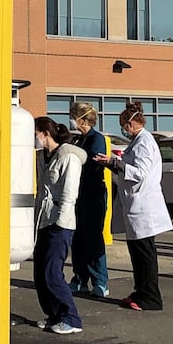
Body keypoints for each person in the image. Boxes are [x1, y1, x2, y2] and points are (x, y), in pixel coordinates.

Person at [106, 102, 172, 311]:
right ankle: (141, 291)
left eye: (124, 125)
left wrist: (116, 164)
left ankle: (151, 297)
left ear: (133, 123)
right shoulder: (137, 141)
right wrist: (112, 164)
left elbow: (140, 172)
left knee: (145, 254)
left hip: (144, 206)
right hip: (136, 204)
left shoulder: (144, 142)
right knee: (137, 253)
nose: (123, 130)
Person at [32, 117, 85, 333]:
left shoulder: (68, 157)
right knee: (39, 272)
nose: (33, 138)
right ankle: (54, 314)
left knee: (52, 272)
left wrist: (61, 222)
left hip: (60, 222)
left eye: (35, 133)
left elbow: (69, 193)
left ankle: (71, 318)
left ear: (45, 133)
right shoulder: (41, 157)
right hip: (42, 220)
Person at [67, 102, 112, 300]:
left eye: (73, 116)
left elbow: (91, 163)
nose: (71, 120)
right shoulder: (78, 140)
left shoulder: (97, 139)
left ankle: (100, 281)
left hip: (93, 194)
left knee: (93, 237)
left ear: (83, 119)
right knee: (77, 238)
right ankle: (80, 278)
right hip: (77, 194)